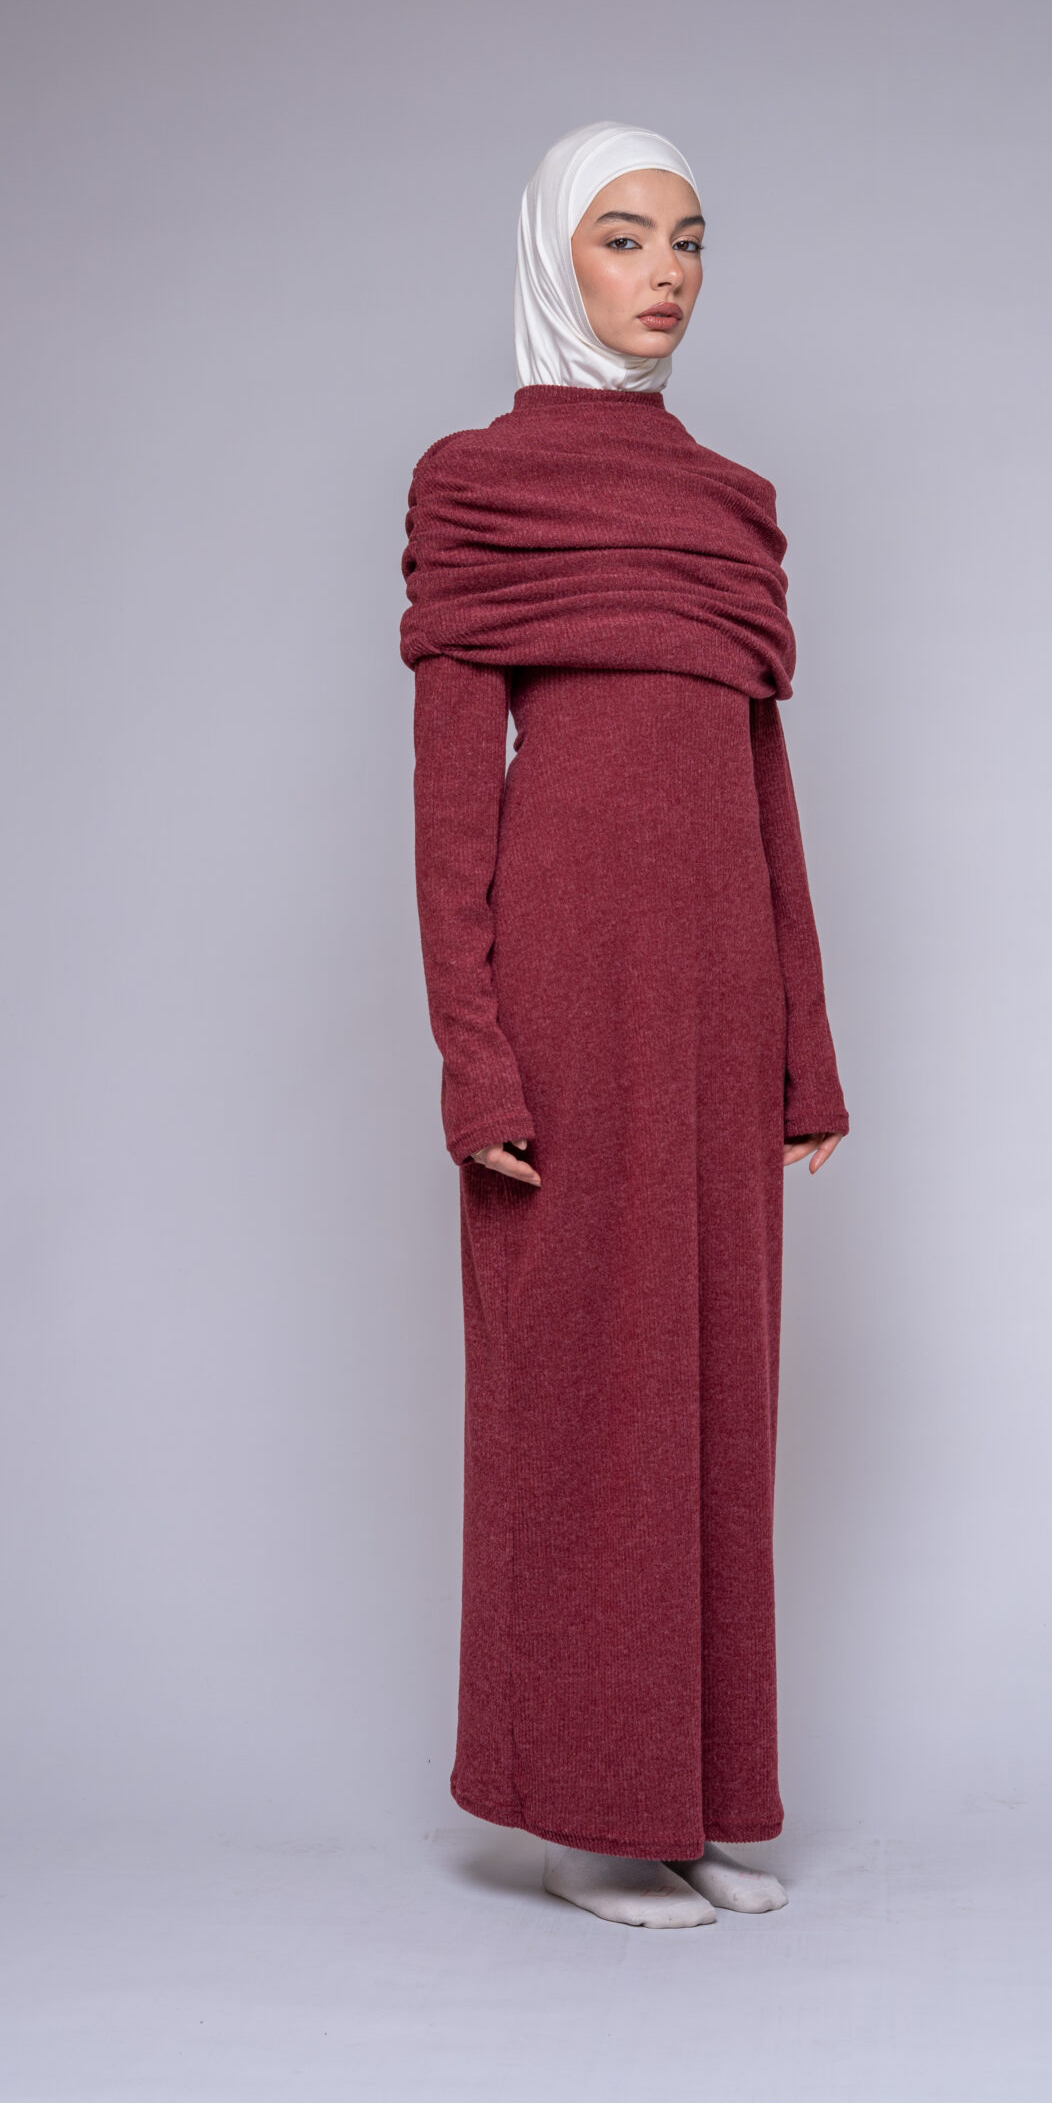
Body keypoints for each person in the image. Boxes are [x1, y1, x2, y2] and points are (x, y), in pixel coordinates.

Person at [401, 122, 848, 1929]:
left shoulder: (733, 503)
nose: (665, 272)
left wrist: (806, 1049)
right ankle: (585, 1808)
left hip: (720, 1003)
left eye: (688, 239)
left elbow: (765, 792)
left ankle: (694, 1796)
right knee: (582, 1384)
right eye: (621, 237)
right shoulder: (477, 486)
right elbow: (450, 813)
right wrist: (477, 1059)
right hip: (568, 1007)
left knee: (715, 1394)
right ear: (551, 258)